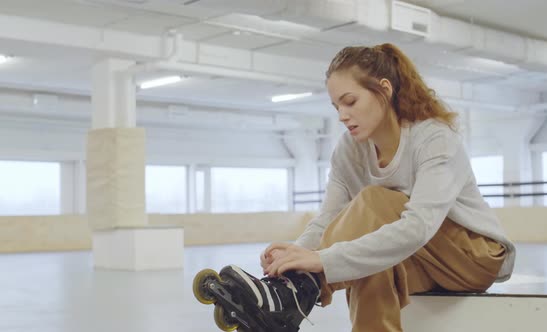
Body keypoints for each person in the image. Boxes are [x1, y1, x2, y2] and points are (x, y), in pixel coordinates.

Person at [193, 43, 515, 332]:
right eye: (336, 107)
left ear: (384, 90)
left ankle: (297, 291)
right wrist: (293, 258)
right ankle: (291, 290)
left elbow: (418, 227)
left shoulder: (433, 139)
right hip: (419, 259)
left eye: (350, 101)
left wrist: (318, 263)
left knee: (375, 203)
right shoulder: (349, 150)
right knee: (370, 262)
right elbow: (328, 218)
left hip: (472, 258)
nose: (343, 116)